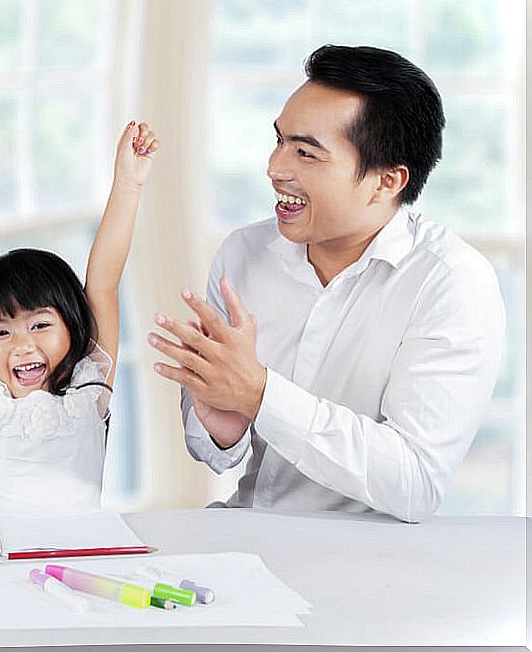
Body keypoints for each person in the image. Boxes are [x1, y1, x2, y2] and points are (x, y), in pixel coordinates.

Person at [148, 45, 504, 522]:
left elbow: (415, 482)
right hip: (249, 530)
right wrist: (220, 427)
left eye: (306, 153)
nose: (275, 169)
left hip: (369, 562)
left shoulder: (453, 283)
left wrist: (260, 396)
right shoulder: (243, 255)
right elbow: (216, 451)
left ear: (387, 180)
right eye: (278, 141)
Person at [0, 113, 158, 515]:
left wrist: (129, 183)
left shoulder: (89, 391)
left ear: (72, 328)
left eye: (40, 325)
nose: (22, 345)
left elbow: (102, 283)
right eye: (1, 333)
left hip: (70, 570)